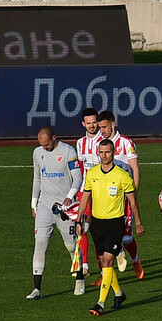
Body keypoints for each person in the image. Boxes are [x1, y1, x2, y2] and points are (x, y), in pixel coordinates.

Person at [76, 139, 144, 316]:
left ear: (113, 153)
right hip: (97, 225)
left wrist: (137, 223)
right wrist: (78, 220)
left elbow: (132, 202)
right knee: (104, 265)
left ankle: (100, 303)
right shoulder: (91, 174)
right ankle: (119, 294)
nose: (104, 155)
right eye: (101, 152)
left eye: (107, 152)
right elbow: (85, 198)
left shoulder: (122, 176)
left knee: (107, 262)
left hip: (115, 224)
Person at [27, 126, 84, 300]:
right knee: (40, 243)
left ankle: (80, 278)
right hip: (45, 205)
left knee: (71, 245)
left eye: (47, 144)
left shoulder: (68, 151)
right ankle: (37, 289)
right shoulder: (37, 153)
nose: (44, 148)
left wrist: (69, 198)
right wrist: (34, 202)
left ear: (54, 138)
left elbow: (78, 177)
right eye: (42, 145)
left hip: (64, 208)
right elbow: (37, 177)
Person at [96, 111, 143, 279]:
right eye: (100, 127)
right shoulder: (101, 144)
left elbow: (135, 169)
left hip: (124, 197)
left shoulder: (126, 143)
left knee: (127, 237)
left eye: (104, 127)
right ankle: (113, 258)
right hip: (107, 198)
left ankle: (135, 259)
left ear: (113, 124)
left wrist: (134, 193)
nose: (101, 130)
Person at [74, 107, 102, 277]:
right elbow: (82, 168)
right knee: (82, 227)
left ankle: (106, 265)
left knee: (99, 230)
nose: (92, 126)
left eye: (94, 122)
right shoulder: (80, 143)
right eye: (88, 123)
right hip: (85, 191)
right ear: (83, 124)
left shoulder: (105, 142)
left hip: (102, 193)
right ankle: (84, 264)